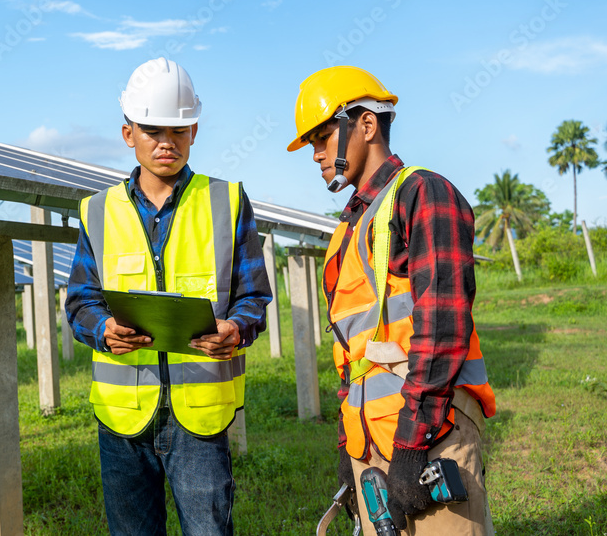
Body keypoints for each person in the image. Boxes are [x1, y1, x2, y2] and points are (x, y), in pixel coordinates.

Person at [286, 65, 497, 534]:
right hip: (370, 443)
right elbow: (351, 353)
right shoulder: (348, 228)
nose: (316, 153)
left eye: (322, 137)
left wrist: (410, 446)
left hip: (431, 436)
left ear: (365, 124)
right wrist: (347, 448)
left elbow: (443, 327)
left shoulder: (423, 192)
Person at [65, 57, 271, 536]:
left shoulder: (228, 200)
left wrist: (237, 328)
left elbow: (253, 295)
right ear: (127, 134)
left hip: (199, 418)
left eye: (178, 129)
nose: (166, 142)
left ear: (194, 131)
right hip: (122, 419)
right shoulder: (97, 211)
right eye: (152, 129)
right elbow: (80, 301)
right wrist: (103, 329)